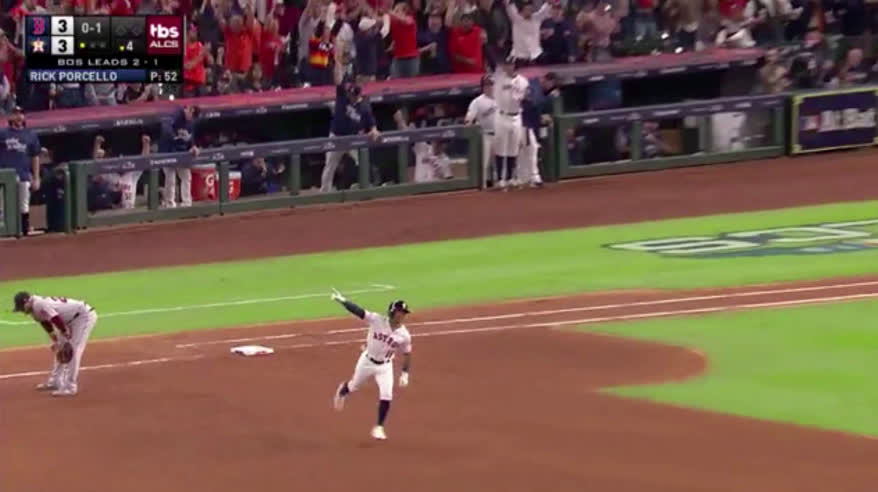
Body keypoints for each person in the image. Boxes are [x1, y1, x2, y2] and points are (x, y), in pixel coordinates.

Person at [330, 288, 412, 441]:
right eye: (400, 312)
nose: (403, 316)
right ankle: (343, 391)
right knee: (354, 386)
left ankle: (379, 427)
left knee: (387, 395)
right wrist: (342, 300)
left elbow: (407, 353)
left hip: (385, 367)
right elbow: (359, 311)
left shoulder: (404, 335)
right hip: (367, 361)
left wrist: (405, 373)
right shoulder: (376, 320)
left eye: (404, 313)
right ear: (392, 312)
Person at [13, 292, 98, 397]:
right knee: (61, 350)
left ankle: (70, 387)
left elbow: (55, 318)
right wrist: (56, 341)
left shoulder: (39, 304)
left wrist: (65, 332)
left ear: (27, 301)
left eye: (22, 307)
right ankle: (55, 381)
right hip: (66, 321)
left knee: (73, 351)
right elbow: (46, 324)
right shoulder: (33, 310)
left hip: (82, 316)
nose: (22, 310)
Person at [321, 76, 379, 192]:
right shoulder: (342, 97)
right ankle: (325, 192)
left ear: (358, 95)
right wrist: (339, 67)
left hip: (353, 139)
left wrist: (374, 130)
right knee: (330, 166)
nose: (350, 97)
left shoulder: (364, 107)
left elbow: (372, 125)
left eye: (353, 95)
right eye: (350, 94)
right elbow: (338, 81)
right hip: (336, 138)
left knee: (363, 161)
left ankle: (369, 186)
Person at [0, 107, 40, 236]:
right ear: (9, 117)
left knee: (24, 205)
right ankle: (5, 231)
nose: (18, 116)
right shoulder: (2, 133)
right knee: (3, 206)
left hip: (23, 174)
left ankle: (24, 230)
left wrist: (36, 177)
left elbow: (35, 157)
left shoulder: (31, 135)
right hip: (5, 176)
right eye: (15, 114)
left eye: (21, 114)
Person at [493, 56, 528, 189]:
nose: (508, 67)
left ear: (514, 65)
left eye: (510, 64)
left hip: (516, 116)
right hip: (502, 116)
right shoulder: (499, 79)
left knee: (513, 148)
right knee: (501, 148)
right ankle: (500, 179)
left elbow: (524, 97)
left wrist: (517, 91)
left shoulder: (523, 81)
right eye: (506, 64)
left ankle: (509, 177)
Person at [518, 71, 557, 187]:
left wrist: (542, 116)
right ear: (546, 80)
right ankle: (532, 177)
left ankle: (529, 178)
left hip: (527, 124)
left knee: (529, 150)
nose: (551, 86)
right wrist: (549, 97)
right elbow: (534, 103)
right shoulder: (534, 86)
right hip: (522, 123)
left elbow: (536, 107)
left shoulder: (538, 88)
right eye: (551, 83)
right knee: (530, 149)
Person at [161, 105, 201, 208]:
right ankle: (169, 204)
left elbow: (190, 137)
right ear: (190, 110)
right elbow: (166, 126)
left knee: (186, 176)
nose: (191, 119)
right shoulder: (176, 113)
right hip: (168, 151)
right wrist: (174, 136)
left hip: (181, 152)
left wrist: (193, 146)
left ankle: (186, 204)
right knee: (170, 179)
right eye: (192, 115)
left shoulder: (191, 122)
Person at [464, 75, 497, 188]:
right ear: (483, 87)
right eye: (487, 85)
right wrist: (469, 121)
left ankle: (500, 184)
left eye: (491, 84)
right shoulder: (477, 101)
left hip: (500, 134)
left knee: (500, 162)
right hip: (485, 135)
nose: (489, 87)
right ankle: (484, 186)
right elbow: (469, 117)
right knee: (485, 162)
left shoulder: (501, 99)